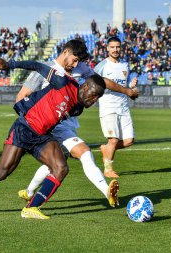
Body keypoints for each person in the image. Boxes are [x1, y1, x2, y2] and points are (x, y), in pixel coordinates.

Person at [0, 59, 106, 220]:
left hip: (42, 137)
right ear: (85, 86)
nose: (94, 100)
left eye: (98, 98)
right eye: (94, 95)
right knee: (1, 173)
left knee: (61, 168)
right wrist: (9, 65)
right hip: (24, 129)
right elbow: (37, 66)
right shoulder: (64, 81)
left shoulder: (78, 108)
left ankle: (31, 208)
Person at [15, 40, 138, 207]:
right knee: (84, 152)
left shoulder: (81, 68)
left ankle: (28, 192)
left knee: (55, 163)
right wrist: (31, 124)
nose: (76, 64)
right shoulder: (45, 70)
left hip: (69, 123)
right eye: (75, 59)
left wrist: (127, 91)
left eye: (79, 61)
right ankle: (107, 191)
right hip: (53, 125)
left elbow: (101, 81)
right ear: (65, 52)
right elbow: (21, 97)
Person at [95, 36, 137, 178]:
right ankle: (108, 169)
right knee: (113, 140)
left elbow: (124, 87)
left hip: (124, 107)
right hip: (108, 107)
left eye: (118, 47)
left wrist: (131, 87)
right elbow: (92, 84)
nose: (115, 50)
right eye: (112, 47)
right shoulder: (101, 66)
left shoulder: (125, 66)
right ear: (107, 48)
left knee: (129, 140)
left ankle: (106, 149)